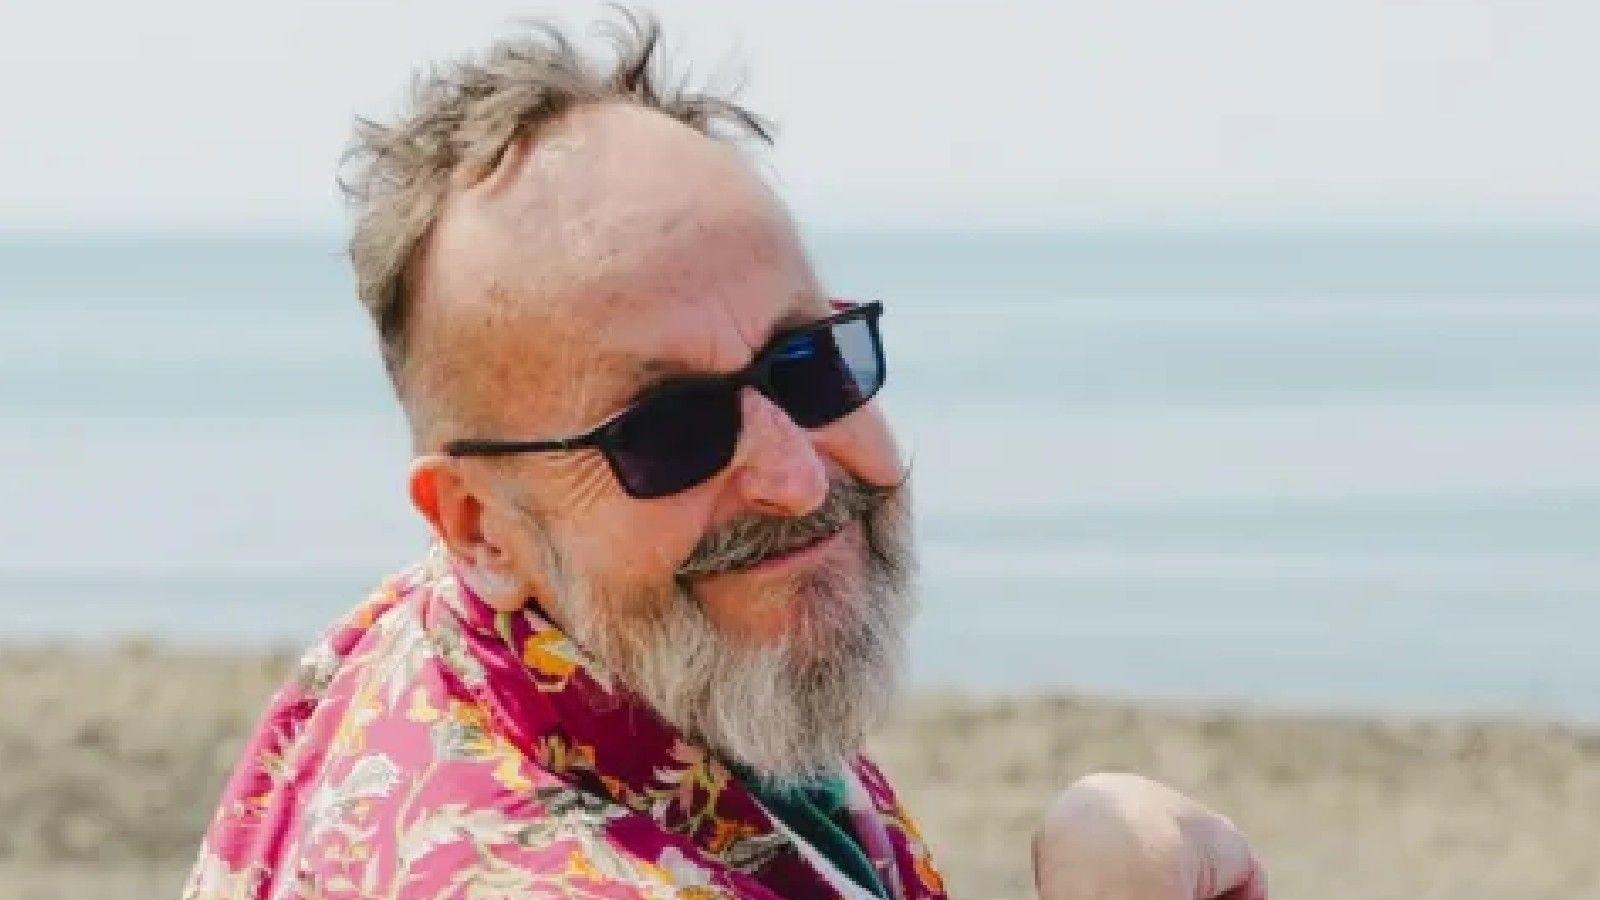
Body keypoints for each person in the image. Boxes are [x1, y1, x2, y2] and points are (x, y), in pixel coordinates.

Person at [184, 10, 1264, 899]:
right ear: (475, 526)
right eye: (667, 431)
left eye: (808, 361)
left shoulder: (500, 642)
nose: (796, 476)